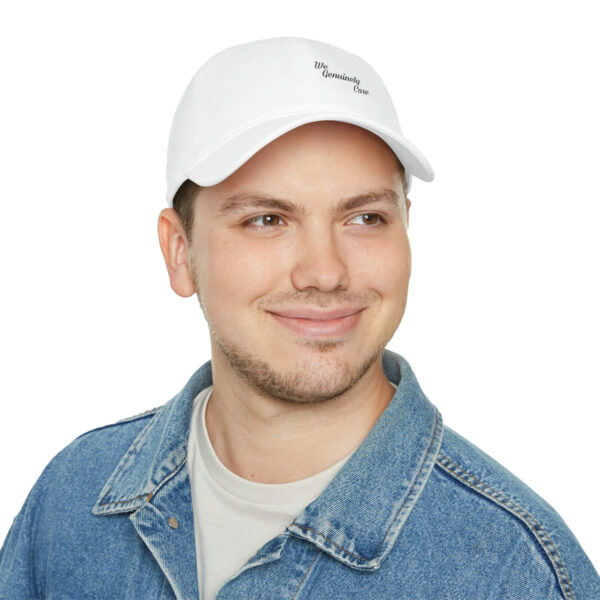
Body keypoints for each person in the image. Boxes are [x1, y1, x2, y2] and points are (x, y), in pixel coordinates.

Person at [0, 35, 598, 600]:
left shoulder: (514, 571)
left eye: (365, 218)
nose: (325, 272)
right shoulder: (70, 501)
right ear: (179, 252)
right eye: (267, 219)